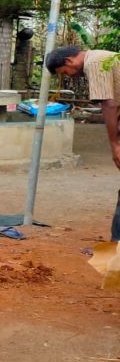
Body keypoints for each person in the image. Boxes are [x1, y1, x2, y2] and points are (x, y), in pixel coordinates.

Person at [45, 46, 120, 240]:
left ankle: (116, 249)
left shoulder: (94, 64)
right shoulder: (104, 56)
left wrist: (115, 144)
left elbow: (109, 104)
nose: (70, 76)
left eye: (65, 72)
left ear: (69, 61)